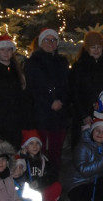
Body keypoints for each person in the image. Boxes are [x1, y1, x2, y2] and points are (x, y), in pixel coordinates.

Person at [25, 28, 70, 167]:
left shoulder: (62, 62)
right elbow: (32, 88)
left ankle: (54, 175)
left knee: (56, 150)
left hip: (59, 113)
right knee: (40, 149)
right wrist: (49, 102)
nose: (50, 43)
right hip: (42, 112)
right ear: (40, 42)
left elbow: (68, 85)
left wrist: (61, 101)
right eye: (47, 40)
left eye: (53, 40)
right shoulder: (32, 63)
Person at [69, 30, 103, 147]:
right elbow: (74, 93)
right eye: (93, 47)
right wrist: (84, 115)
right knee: (85, 147)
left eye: (99, 47)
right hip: (85, 114)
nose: (96, 50)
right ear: (87, 48)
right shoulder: (79, 67)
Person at [0, 35, 29, 149]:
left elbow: (25, 99)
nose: (6, 53)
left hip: (17, 123)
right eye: (2, 50)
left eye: (9, 49)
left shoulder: (19, 73)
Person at [65, 119, 103, 201]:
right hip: (78, 183)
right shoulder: (82, 146)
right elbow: (84, 171)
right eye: (97, 130)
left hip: (94, 182)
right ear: (92, 131)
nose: (100, 133)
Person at [15, 130, 62, 201]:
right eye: (31, 143)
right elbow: (19, 178)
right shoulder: (20, 160)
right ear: (25, 146)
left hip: (40, 190)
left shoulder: (43, 160)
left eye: (37, 143)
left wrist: (39, 182)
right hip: (27, 196)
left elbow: (52, 175)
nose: (35, 146)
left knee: (57, 186)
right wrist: (25, 158)